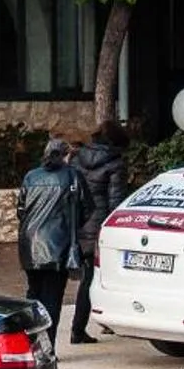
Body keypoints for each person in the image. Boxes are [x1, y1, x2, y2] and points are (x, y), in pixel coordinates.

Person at [17, 137, 88, 337]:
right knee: (52, 298)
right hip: (58, 245)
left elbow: (21, 209)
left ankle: (31, 342)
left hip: (29, 245)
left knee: (33, 295)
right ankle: (47, 346)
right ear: (66, 155)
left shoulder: (31, 176)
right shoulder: (72, 176)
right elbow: (86, 208)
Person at [68, 121, 131, 344]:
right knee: (99, 278)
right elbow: (116, 201)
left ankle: (85, 327)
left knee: (88, 278)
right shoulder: (116, 164)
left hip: (80, 224)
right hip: (100, 227)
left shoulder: (77, 158)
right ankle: (80, 329)